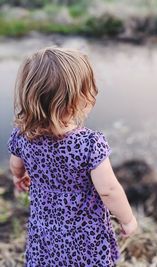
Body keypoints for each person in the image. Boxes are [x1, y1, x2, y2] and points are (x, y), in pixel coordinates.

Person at [7, 46, 138, 267]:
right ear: (77, 99)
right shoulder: (89, 144)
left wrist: (19, 177)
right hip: (85, 237)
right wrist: (128, 219)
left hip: (46, 230)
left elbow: (15, 165)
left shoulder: (22, 136)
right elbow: (108, 190)